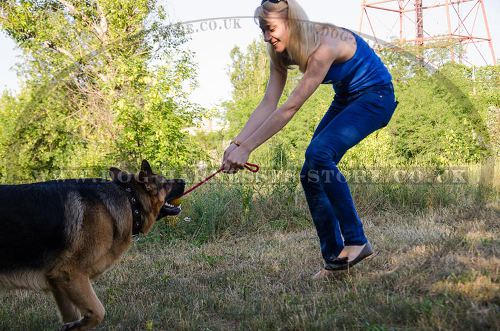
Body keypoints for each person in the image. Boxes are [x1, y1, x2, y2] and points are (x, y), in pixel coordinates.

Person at [222, 0, 398, 279]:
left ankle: (357, 240)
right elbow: (269, 103)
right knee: (310, 174)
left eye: (271, 29)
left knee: (319, 153)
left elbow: (289, 108)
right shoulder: (278, 52)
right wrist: (237, 145)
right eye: (262, 31)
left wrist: (249, 149)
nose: (267, 37)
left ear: (291, 22)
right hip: (347, 97)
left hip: (376, 96)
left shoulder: (323, 46)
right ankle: (335, 262)